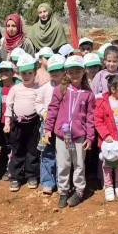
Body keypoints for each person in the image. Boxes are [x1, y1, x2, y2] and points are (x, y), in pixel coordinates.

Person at [44, 55, 95, 208]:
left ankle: (79, 190)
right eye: (71, 72)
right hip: (62, 135)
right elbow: (52, 110)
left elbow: (90, 117)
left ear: (83, 72)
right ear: (66, 73)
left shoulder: (88, 93)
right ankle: (63, 190)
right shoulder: (60, 89)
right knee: (64, 164)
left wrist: (90, 137)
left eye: (78, 71)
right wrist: (48, 129)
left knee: (79, 164)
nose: (74, 75)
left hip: (79, 135)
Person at [4, 54, 41, 192]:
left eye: (30, 73)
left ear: (35, 73)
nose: (27, 76)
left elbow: (41, 106)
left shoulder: (38, 89)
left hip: (33, 124)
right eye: (24, 73)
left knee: (32, 150)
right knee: (17, 150)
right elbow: (9, 106)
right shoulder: (15, 88)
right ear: (19, 73)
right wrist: (7, 123)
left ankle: (31, 175)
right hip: (17, 125)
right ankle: (15, 176)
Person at [35, 54, 66, 195]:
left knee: (63, 154)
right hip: (46, 125)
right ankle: (48, 181)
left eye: (58, 69)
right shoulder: (44, 88)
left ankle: (62, 183)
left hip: (63, 127)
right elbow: (38, 103)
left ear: (64, 70)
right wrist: (43, 112)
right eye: (52, 70)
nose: (55, 73)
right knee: (47, 153)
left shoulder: (68, 88)